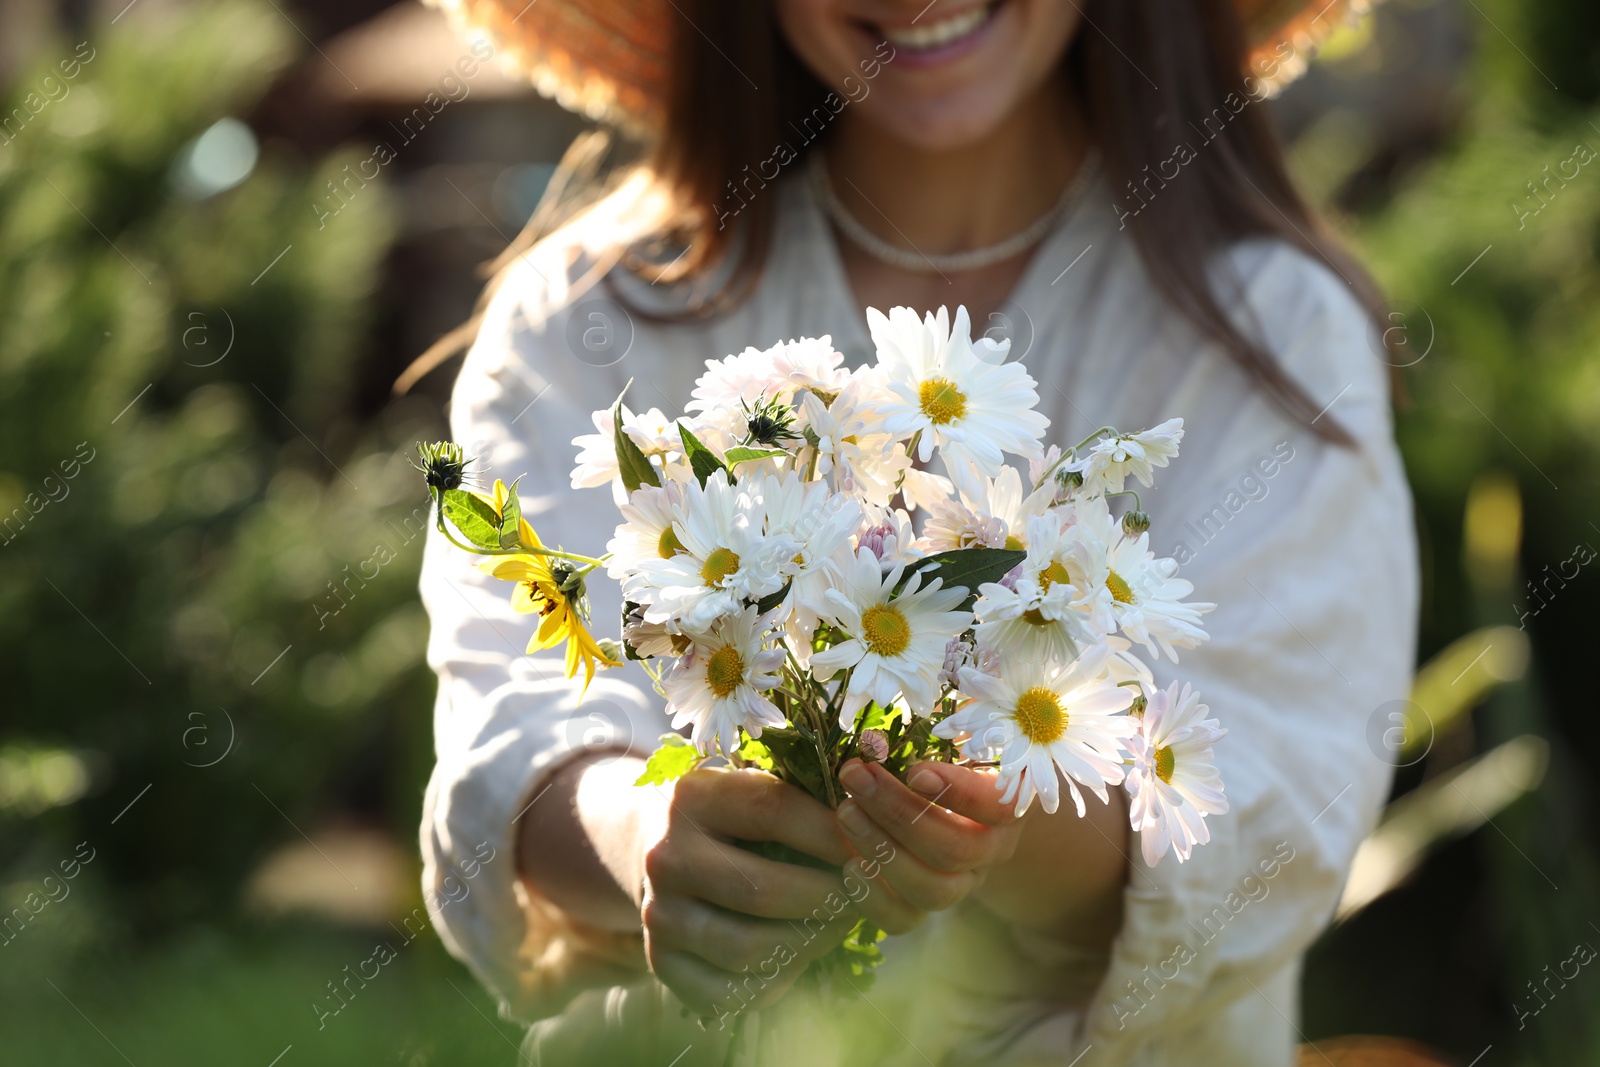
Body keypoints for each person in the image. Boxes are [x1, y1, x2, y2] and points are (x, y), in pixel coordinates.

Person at [414, 1, 1418, 1063]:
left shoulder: (1275, 334)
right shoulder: (586, 319)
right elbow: (509, 725)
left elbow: (1276, 816)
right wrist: (646, 832)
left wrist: (992, 816)